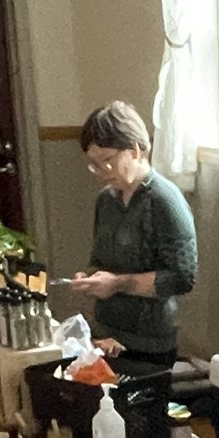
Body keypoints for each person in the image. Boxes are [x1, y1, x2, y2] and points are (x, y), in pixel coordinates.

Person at [66, 101, 197, 369]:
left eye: (107, 161)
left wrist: (118, 284)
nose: (101, 172)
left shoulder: (164, 200)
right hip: (106, 333)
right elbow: (100, 261)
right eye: (94, 164)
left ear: (135, 150)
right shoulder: (106, 200)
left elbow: (182, 278)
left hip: (150, 341)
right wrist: (90, 279)